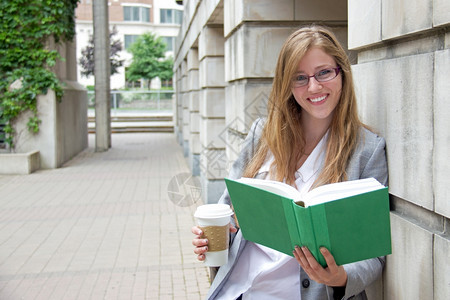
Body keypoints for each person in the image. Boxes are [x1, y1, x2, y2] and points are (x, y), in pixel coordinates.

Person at [192, 25, 388, 300]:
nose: (314, 86)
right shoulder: (263, 134)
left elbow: (374, 255)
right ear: (287, 85)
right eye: (300, 78)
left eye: (324, 72)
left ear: (341, 72)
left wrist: (340, 277)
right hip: (240, 292)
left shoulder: (367, 150)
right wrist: (215, 238)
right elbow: (229, 213)